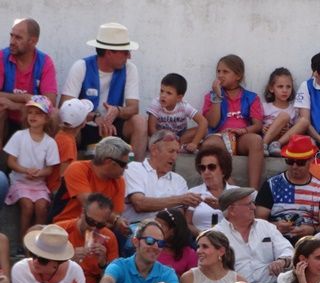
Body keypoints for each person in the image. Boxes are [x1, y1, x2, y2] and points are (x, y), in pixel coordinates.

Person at [60, 22, 147, 159]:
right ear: (109, 52)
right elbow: (65, 107)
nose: (129, 56)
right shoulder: (81, 66)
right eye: (125, 52)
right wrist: (94, 117)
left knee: (139, 122)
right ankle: (64, 169)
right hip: (83, 125)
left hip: (113, 127)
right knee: (60, 120)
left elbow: (134, 108)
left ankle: (135, 169)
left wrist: (118, 111)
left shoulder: (130, 69)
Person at [213, 186, 293, 283]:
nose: (254, 207)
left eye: (253, 203)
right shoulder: (216, 235)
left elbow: (288, 250)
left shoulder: (265, 226)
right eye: (248, 204)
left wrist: (282, 261)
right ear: (232, 210)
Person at [201, 54, 264, 189]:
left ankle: (253, 191)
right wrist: (217, 96)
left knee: (256, 140)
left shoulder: (251, 98)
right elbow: (212, 123)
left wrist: (243, 130)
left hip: (241, 137)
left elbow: (258, 125)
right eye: (218, 71)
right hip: (219, 136)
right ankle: (231, 187)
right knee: (210, 144)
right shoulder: (211, 96)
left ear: (238, 76)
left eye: (225, 72)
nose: (220, 75)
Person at [255, 134, 320, 241]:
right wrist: (275, 226)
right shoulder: (271, 185)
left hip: (308, 242)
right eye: (290, 161)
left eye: (300, 162)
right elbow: (258, 220)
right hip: (275, 239)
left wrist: (312, 230)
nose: (294, 166)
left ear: (311, 160)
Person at [55, 192, 119, 283]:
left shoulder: (109, 237)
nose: (94, 228)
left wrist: (103, 263)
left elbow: (111, 282)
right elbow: (43, 269)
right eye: (90, 221)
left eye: (100, 225)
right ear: (82, 213)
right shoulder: (60, 231)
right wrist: (67, 259)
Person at [4, 96, 59, 240]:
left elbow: (50, 169)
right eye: (30, 112)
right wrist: (25, 170)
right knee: (27, 206)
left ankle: (37, 243)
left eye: (38, 113)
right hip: (19, 182)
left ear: (46, 118)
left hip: (38, 184)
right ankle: (24, 241)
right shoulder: (19, 136)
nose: (33, 116)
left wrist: (38, 173)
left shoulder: (50, 142)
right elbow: (11, 162)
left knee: (42, 208)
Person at [50, 136, 129, 229]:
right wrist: (115, 220)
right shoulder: (77, 168)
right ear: (108, 162)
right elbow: (90, 204)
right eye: (124, 164)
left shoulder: (119, 181)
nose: (126, 168)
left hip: (98, 228)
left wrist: (115, 221)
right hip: (65, 227)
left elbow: (115, 215)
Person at [122, 130, 196, 225]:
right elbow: (139, 204)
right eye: (171, 151)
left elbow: (178, 216)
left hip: (167, 229)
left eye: (177, 152)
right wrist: (180, 199)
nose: (175, 157)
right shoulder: (134, 168)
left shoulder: (179, 180)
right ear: (154, 150)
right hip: (135, 227)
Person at [0, 18, 57, 139]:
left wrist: (17, 106)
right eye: (11, 36)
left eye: (18, 38)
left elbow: (50, 101)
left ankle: (44, 149)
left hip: (31, 117)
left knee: (55, 115)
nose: (12, 41)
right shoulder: (2, 57)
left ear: (33, 41)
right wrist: (25, 97)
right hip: (6, 117)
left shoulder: (45, 62)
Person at [145, 72, 207, 152]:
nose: (163, 95)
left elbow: (203, 122)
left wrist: (194, 143)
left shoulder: (184, 106)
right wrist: (162, 139)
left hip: (180, 137)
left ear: (179, 98)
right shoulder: (156, 104)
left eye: (169, 93)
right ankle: (177, 147)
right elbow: (151, 129)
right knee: (145, 130)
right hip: (161, 136)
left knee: (204, 130)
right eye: (162, 91)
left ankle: (181, 145)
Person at [185, 146, 236, 235]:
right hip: (200, 238)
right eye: (202, 168)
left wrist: (221, 207)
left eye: (211, 167)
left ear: (223, 170)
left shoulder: (236, 193)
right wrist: (203, 234)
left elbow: (244, 220)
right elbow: (187, 224)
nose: (206, 172)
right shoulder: (193, 192)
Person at [47, 98, 94, 194]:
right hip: (57, 190)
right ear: (83, 123)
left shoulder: (61, 135)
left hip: (54, 186)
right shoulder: (67, 142)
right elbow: (64, 175)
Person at [261, 67, 309, 155]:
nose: (284, 90)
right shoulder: (264, 107)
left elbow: (297, 129)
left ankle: (276, 144)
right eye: (280, 86)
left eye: (288, 87)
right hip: (267, 139)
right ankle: (263, 145)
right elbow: (255, 123)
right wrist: (262, 127)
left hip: (283, 142)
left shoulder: (294, 110)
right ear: (271, 88)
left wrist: (289, 129)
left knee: (304, 121)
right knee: (284, 116)